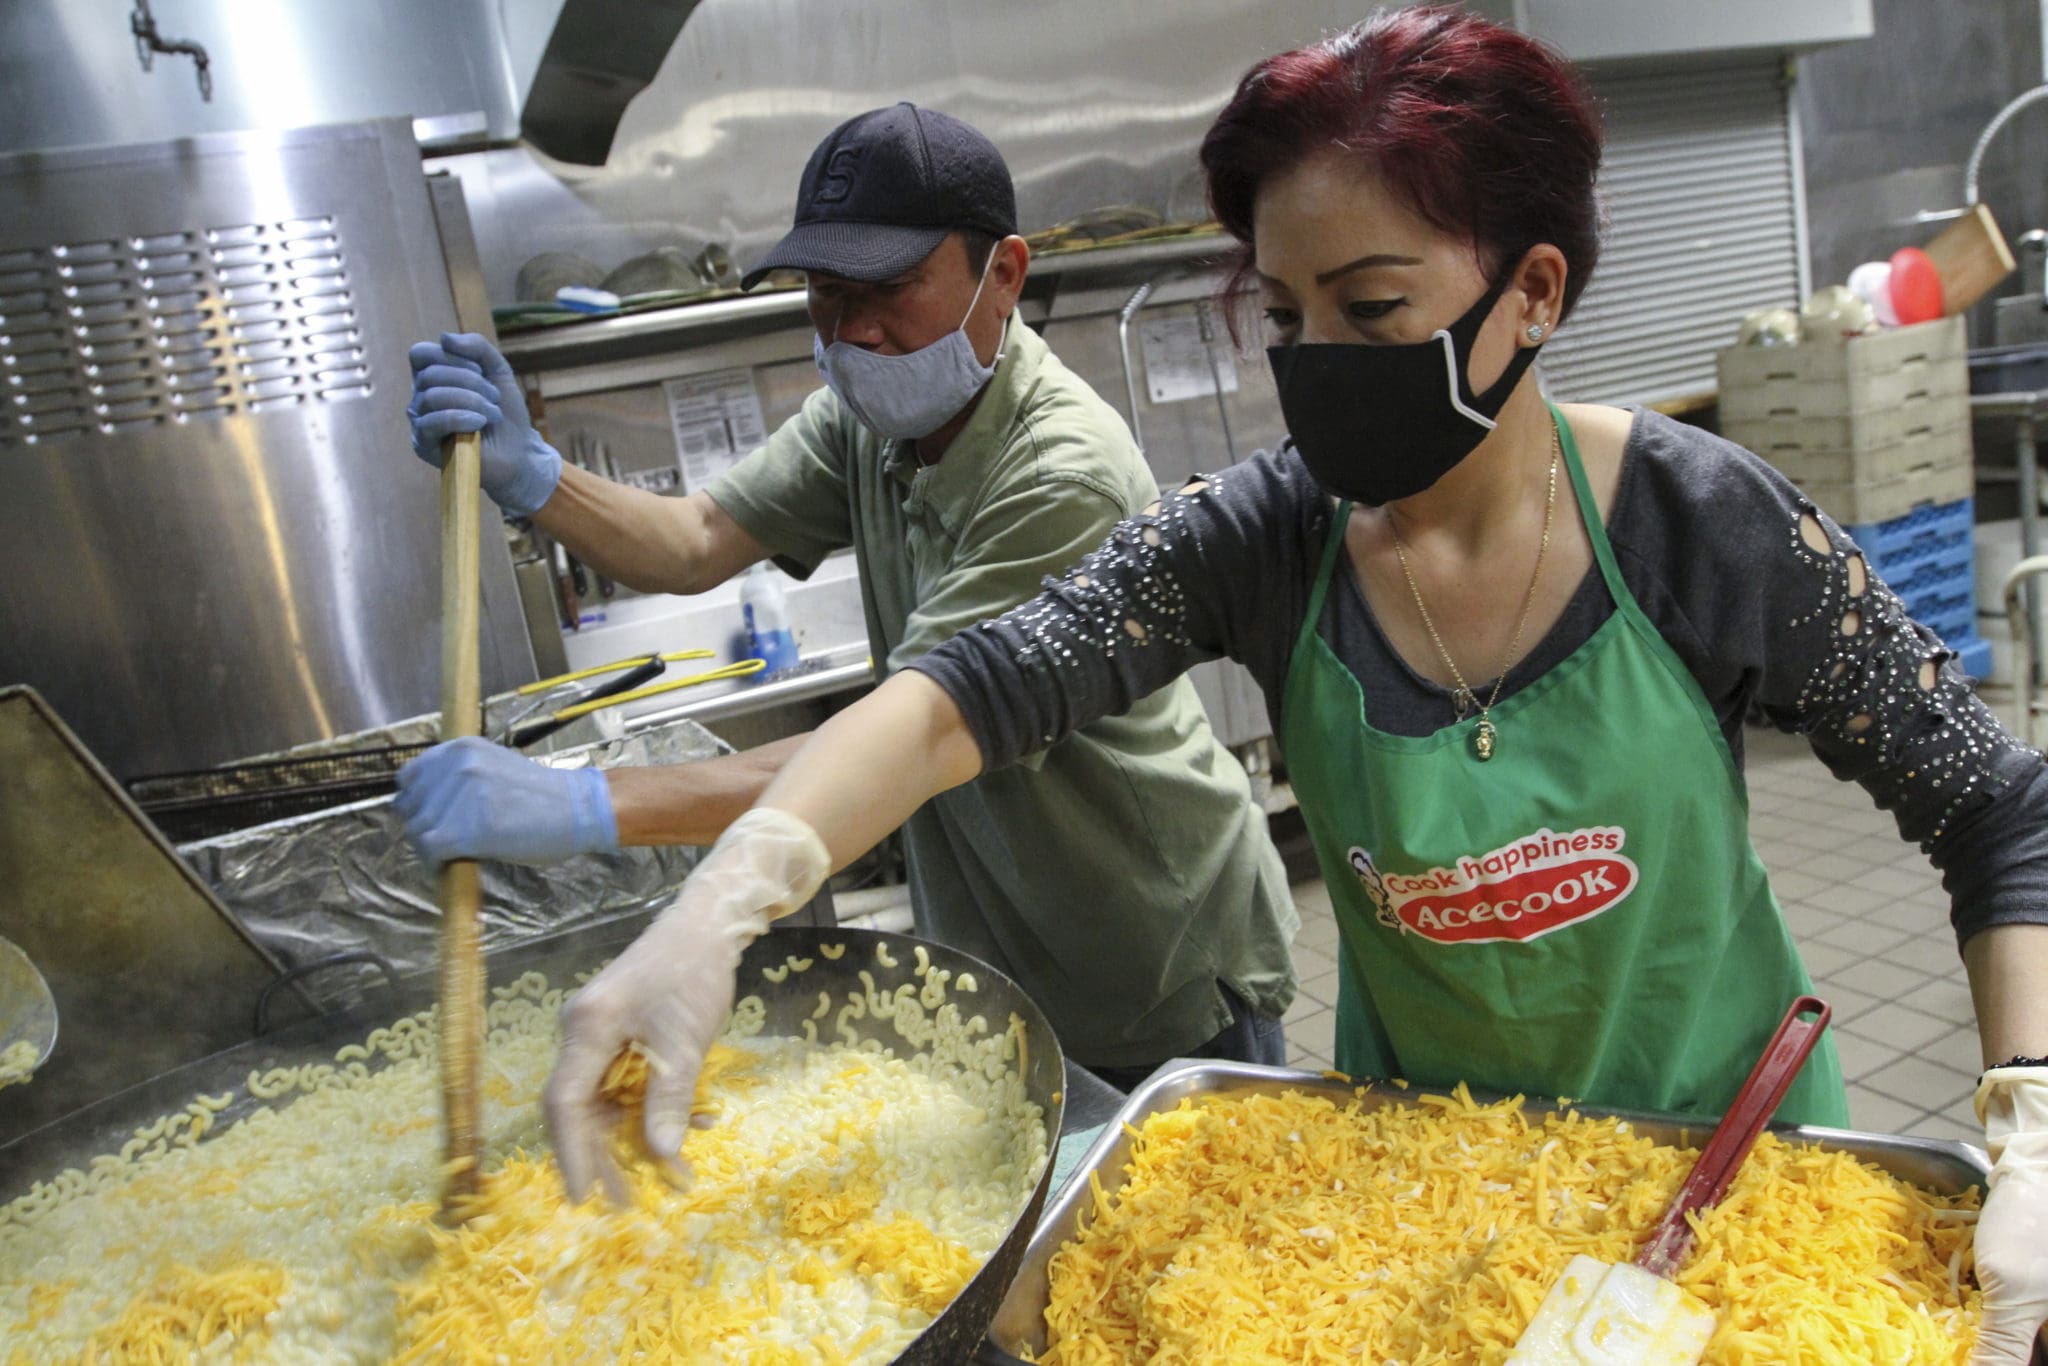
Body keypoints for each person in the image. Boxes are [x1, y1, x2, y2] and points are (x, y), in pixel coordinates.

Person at [537, 13, 2048, 1360]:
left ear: (1532, 291)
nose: (1317, 361)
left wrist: (2032, 1124)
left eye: (1373, 311)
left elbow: (1995, 810)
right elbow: (956, 701)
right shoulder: (1263, 538)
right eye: (1284, 316)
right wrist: (720, 904)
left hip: (1730, 1189)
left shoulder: (1698, 522)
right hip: (1415, 1181)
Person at [399, 103, 1299, 1108]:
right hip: (1005, 944)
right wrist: (536, 477)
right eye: (826, 294)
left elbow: (902, 743)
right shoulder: (868, 417)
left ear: (1003, 273)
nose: (854, 332)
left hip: (1146, 950)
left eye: (890, 290)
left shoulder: (1058, 472)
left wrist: (582, 806)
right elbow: (697, 540)